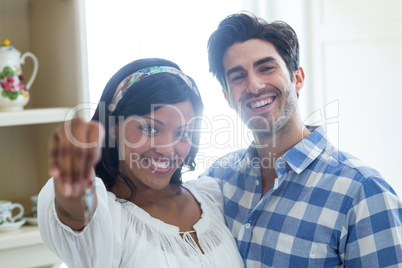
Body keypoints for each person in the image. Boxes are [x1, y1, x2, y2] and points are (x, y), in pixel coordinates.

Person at [201, 12, 402, 267]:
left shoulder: (362, 191)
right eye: (238, 77)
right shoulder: (217, 181)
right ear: (228, 97)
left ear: (297, 78)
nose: (254, 85)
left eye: (266, 68)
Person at [38, 58, 244, 268]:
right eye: (150, 129)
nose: (167, 149)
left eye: (183, 133)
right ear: (113, 127)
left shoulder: (211, 196)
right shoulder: (107, 216)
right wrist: (73, 184)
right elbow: (74, 214)